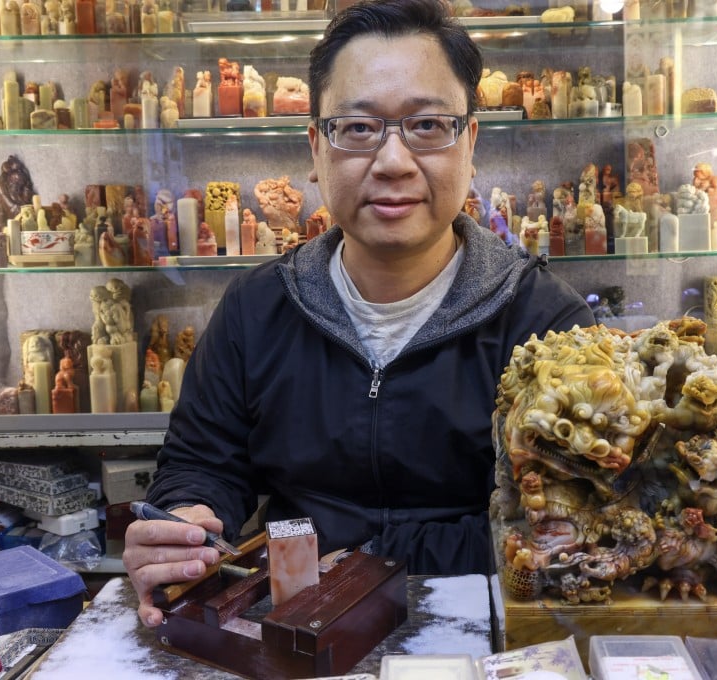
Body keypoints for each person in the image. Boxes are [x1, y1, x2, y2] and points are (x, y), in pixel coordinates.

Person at [123, 0, 595, 628]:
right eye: (358, 127)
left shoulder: (544, 326)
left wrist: (357, 559)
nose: (394, 161)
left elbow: (569, 525)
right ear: (316, 149)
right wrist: (184, 523)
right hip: (296, 625)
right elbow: (201, 464)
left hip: (488, 629)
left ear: (470, 142)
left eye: (427, 124)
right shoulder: (257, 309)